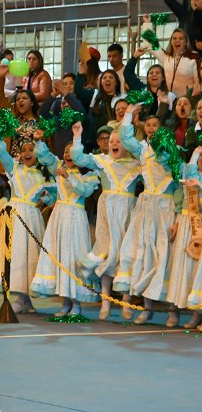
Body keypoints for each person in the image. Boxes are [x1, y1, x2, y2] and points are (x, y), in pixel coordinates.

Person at [116, 105, 178, 324]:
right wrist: (128, 115)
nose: (151, 128)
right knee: (144, 253)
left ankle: (173, 309)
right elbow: (125, 137)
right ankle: (147, 306)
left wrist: (178, 217)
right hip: (146, 208)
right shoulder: (143, 149)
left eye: (155, 125)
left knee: (166, 255)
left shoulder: (172, 151)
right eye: (148, 125)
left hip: (165, 209)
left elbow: (179, 184)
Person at [71, 127, 140, 319]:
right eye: (111, 141)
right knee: (106, 252)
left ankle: (126, 302)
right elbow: (78, 158)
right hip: (107, 212)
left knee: (126, 254)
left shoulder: (136, 164)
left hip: (127, 212)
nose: (114, 144)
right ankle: (105, 301)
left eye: (119, 141)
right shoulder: (102, 161)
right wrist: (77, 136)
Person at [30, 131, 100, 317]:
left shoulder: (89, 175)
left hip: (76, 217)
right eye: (66, 151)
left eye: (71, 151)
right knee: (60, 255)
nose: (68, 154)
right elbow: (45, 157)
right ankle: (65, 301)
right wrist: (38, 140)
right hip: (59, 217)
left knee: (73, 256)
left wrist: (69, 177)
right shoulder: (58, 167)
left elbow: (85, 191)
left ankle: (76, 302)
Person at [0, 136, 49, 312]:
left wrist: (46, 198)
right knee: (15, 253)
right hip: (14, 215)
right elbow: (0, 151)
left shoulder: (42, 174)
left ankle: (25, 298)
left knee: (29, 255)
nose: (27, 153)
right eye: (24, 150)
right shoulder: (14, 168)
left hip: (31, 217)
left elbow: (53, 193)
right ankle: (18, 297)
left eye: (31, 150)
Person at [169, 149, 202, 329]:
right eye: (201, 157)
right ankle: (177, 310)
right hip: (186, 224)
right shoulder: (190, 175)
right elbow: (182, 200)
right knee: (183, 267)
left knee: (199, 272)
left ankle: (198, 313)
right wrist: (196, 151)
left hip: (200, 227)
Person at [133, 24, 198, 98]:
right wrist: (147, 23)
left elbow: (198, 83)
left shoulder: (194, 58)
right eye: (174, 38)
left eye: (180, 38)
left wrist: (192, 98)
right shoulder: (166, 57)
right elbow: (150, 44)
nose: (177, 40)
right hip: (168, 100)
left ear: (186, 42)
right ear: (171, 42)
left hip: (186, 101)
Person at [0, 63, 39, 159]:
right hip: (13, 166)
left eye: (24, 98)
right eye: (18, 99)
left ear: (32, 103)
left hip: (34, 167)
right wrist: (1, 76)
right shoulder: (12, 117)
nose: (20, 100)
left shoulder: (40, 121)